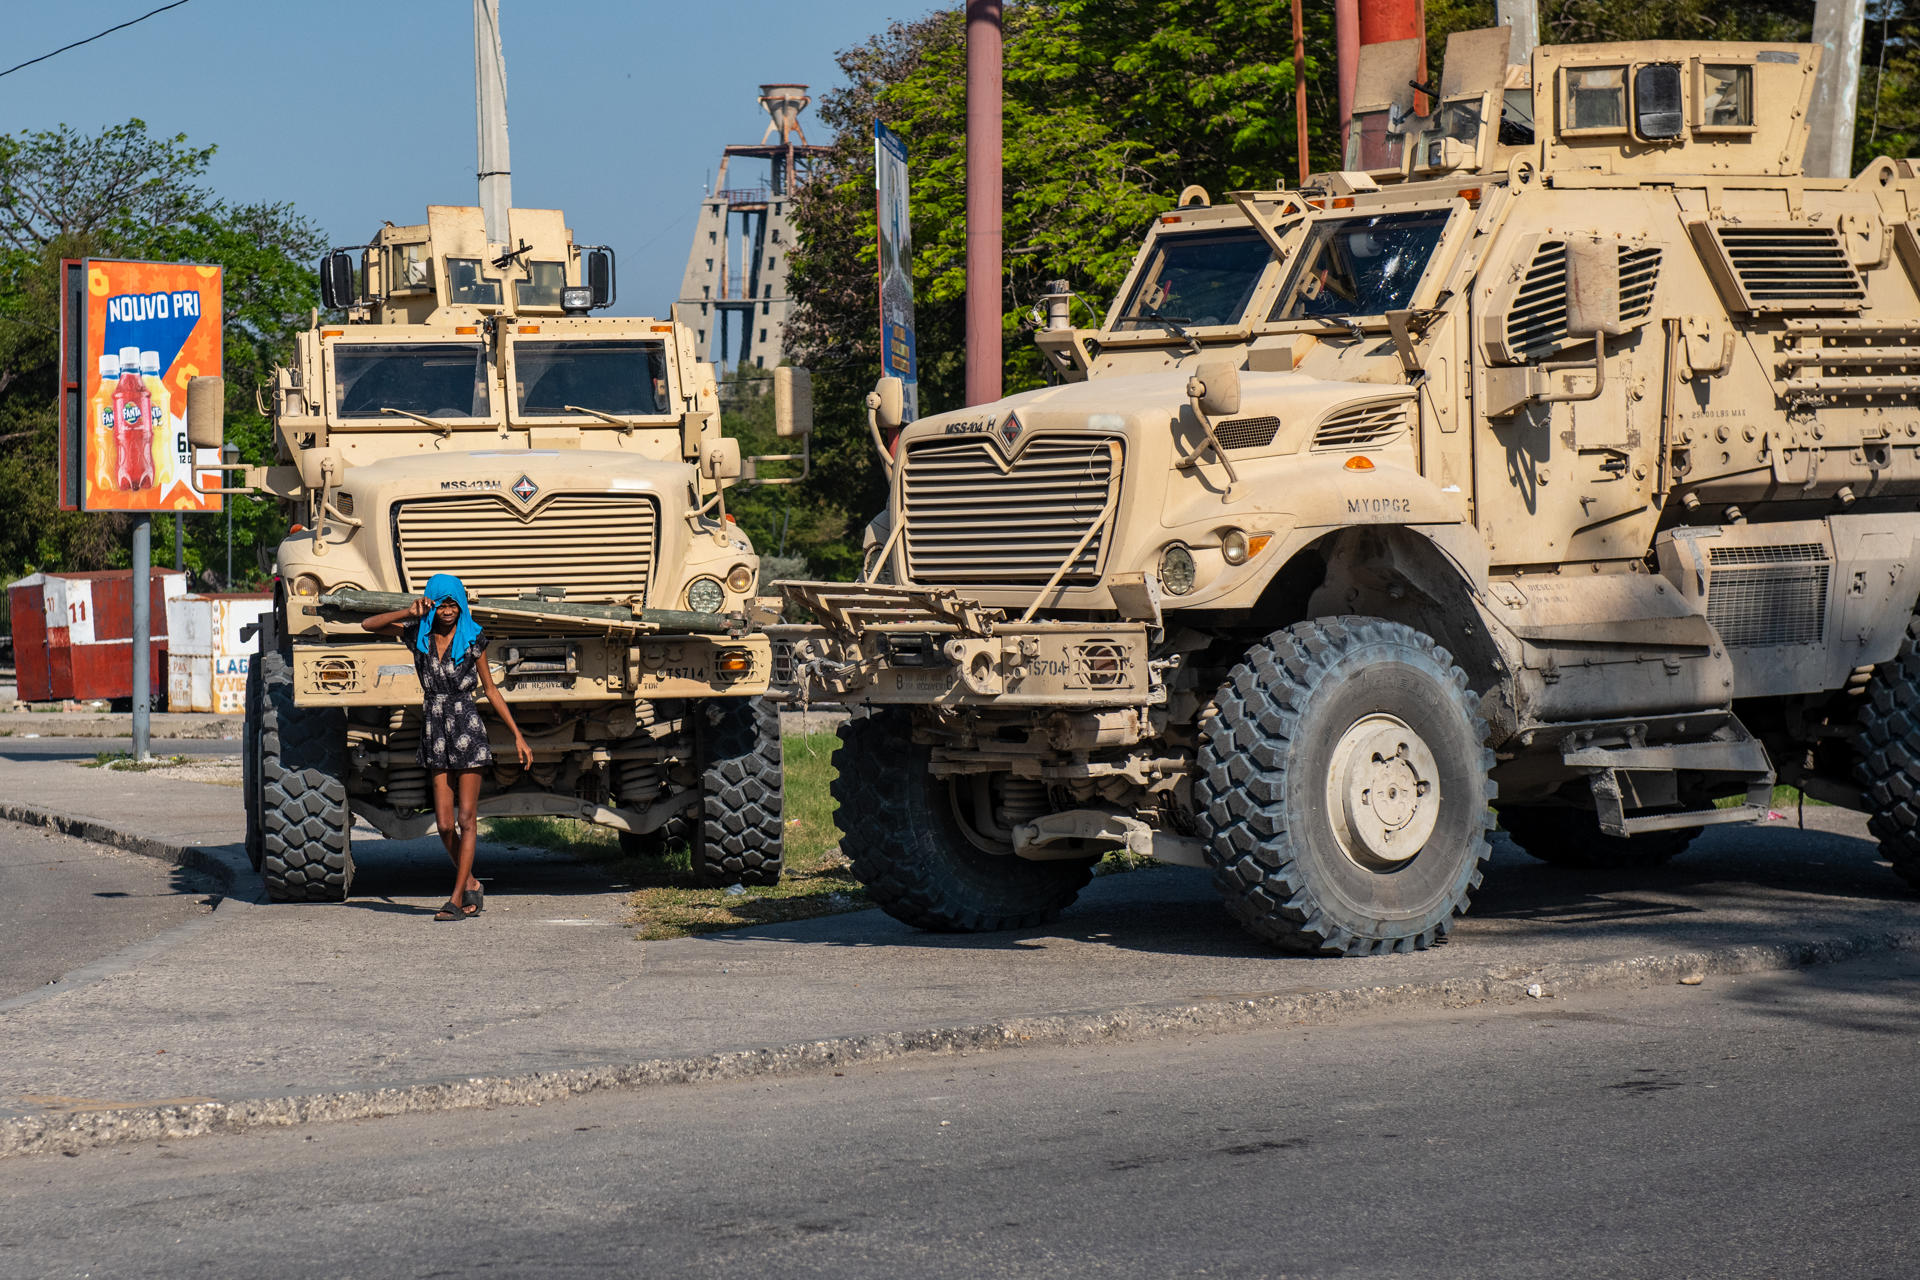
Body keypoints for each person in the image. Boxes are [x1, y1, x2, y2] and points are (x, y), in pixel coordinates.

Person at [362, 575, 533, 920]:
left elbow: (491, 689)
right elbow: (368, 624)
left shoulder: (473, 638)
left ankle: (456, 898)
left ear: (462, 605)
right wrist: (408, 610)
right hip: (435, 728)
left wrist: (517, 734)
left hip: (467, 728)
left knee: (467, 818)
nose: (449, 611)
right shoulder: (418, 635)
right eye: (443, 604)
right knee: (442, 823)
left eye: (454, 604)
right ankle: (470, 881)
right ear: (433, 604)